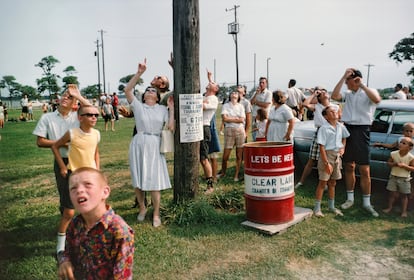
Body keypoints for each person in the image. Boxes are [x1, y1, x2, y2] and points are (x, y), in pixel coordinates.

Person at [32, 84, 91, 255]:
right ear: (58, 100)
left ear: (75, 103)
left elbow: (92, 110)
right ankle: (61, 246)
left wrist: (78, 95)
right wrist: (61, 143)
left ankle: (74, 233)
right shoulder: (47, 118)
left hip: (80, 160)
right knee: (68, 206)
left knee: (77, 202)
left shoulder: (78, 117)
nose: (66, 97)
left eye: (70, 97)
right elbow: (40, 141)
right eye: (64, 95)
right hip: (61, 161)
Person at [57, 167, 134, 279]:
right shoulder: (75, 224)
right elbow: (67, 252)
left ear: (105, 192)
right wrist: (65, 261)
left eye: (87, 184)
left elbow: (122, 275)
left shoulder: (120, 231)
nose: (79, 190)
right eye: (73, 188)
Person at [124, 58, 175, 227]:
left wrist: (172, 109)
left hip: (155, 144)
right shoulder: (138, 107)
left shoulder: (162, 109)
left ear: (158, 95)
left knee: (154, 181)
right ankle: (142, 208)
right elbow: (127, 89)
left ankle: (156, 214)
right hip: (138, 143)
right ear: (144, 95)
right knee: (137, 178)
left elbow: (171, 127)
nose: (150, 91)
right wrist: (139, 73)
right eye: (147, 90)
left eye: (153, 90)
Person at [331, 68, 382, 217]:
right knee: (349, 166)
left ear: (356, 80)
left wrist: (362, 85)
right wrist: (343, 76)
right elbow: (334, 95)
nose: (346, 84)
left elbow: (377, 100)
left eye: (348, 81)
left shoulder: (368, 91)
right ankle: (350, 198)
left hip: (362, 130)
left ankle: (367, 203)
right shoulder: (347, 95)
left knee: (364, 169)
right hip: (348, 130)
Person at [295, 86, 341, 189]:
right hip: (319, 133)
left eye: (325, 91)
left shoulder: (335, 107)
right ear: (319, 98)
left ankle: (326, 183)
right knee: (312, 160)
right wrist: (314, 94)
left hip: (331, 134)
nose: (324, 93)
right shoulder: (317, 106)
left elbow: (340, 121)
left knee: (329, 159)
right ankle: (301, 181)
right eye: (322, 93)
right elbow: (305, 104)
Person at [313, 106, 350, 217]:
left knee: (333, 183)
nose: (334, 112)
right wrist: (326, 163)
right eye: (331, 112)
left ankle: (331, 206)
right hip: (327, 156)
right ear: (326, 116)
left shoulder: (341, 126)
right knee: (323, 182)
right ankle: (317, 208)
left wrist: (342, 148)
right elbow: (322, 147)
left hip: (336, 156)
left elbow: (344, 138)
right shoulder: (324, 128)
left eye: (335, 111)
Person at [51, 105, 101, 178]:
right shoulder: (72, 133)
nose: (94, 117)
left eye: (96, 115)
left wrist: (97, 169)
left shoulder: (96, 133)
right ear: (80, 118)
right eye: (89, 115)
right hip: (75, 173)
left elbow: (96, 152)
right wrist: (62, 167)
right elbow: (55, 146)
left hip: (91, 172)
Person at [382, 137, 414, 218]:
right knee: (392, 194)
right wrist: (394, 164)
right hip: (393, 177)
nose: (400, 144)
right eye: (400, 142)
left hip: (404, 179)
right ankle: (389, 207)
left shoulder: (411, 157)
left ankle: (404, 211)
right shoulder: (393, 154)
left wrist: (404, 166)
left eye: (404, 143)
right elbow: (388, 163)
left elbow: (413, 168)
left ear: (409, 147)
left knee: (404, 195)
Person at [218, 90, 246, 182]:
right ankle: (223, 173)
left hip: (240, 131)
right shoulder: (226, 105)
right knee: (226, 155)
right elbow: (224, 118)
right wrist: (236, 118)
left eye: (236, 93)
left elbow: (242, 120)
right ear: (230, 95)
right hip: (229, 131)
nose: (234, 94)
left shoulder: (241, 106)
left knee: (239, 155)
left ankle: (236, 175)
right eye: (232, 93)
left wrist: (231, 119)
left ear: (238, 96)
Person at [202, 69, 219, 193]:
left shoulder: (213, 99)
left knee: (204, 158)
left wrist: (201, 102)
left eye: (213, 83)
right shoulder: (205, 96)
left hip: (204, 127)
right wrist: (210, 77)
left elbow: (201, 107)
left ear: (215, 89)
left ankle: (210, 185)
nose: (211, 83)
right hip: (197, 128)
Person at [208, 113, 221, 183]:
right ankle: (209, 175)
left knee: (213, 156)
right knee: (205, 158)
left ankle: (214, 177)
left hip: (211, 132)